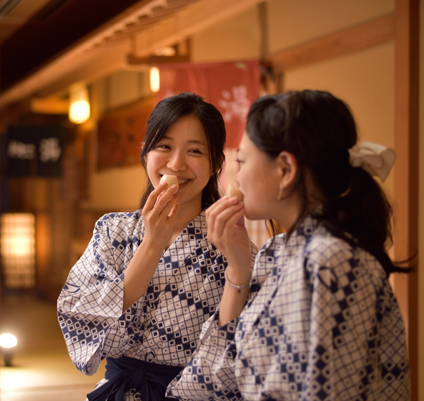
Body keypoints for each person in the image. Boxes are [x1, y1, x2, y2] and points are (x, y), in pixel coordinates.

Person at [167, 89, 411, 400]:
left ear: (285, 170)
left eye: (241, 162)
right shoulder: (276, 252)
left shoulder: (331, 260)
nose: (234, 180)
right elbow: (218, 377)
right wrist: (238, 268)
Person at [57, 92, 256, 401]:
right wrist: (151, 245)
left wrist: (238, 267)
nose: (176, 164)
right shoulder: (112, 231)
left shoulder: (230, 243)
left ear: (216, 163)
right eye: (164, 146)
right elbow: (78, 315)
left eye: (195, 151)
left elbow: (239, 346)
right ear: (145, 154)